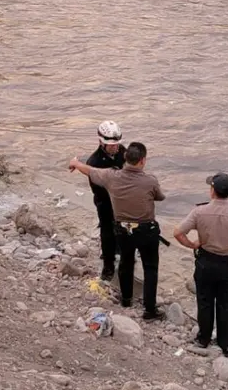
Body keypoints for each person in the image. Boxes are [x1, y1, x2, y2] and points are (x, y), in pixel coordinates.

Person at [68, 142, 166, 321]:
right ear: (143, 161)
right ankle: (149, 309)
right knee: (150, 268)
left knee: (126, 263)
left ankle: (126, 300)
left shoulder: (110, 176)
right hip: (146, 229)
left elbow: (90, 170)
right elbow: (160, 197)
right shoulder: (150, 180)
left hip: (123, 229)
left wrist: (75, 162)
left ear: (125, 159)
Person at [174, 173, 228, 357]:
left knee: (204, 301)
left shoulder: (199, 211)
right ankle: (225, 342)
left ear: (212, 190)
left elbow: (178, 232)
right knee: (225, 304)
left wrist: (192, 244)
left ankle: (203, 338)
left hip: (205, 261)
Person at [86, 120, 126, 281]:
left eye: (116, 145)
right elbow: (98, 189)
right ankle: (108, 266)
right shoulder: (94, 162)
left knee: (124, 231)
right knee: (107, 232)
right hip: (105, 202)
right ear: (101, 142)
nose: (114, 148)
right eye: (111, 145)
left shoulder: (123, 153)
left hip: (122, 201)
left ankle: (122, 254)